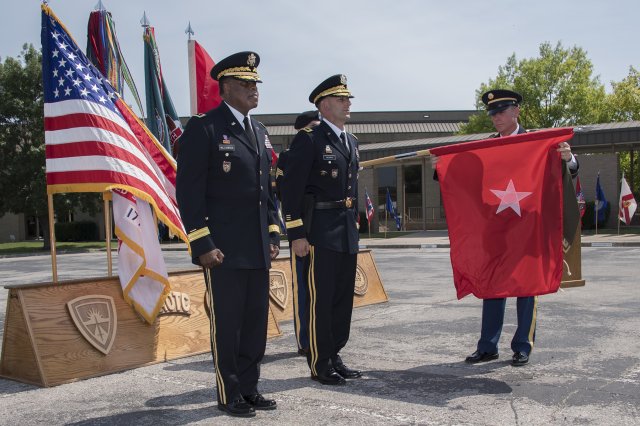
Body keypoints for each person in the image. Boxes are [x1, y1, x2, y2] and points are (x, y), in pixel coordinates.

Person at [434, 88, 579, 367]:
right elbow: (466, 178)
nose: (496, 118)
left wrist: (568, 158)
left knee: (527, 286)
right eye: (492, 113)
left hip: (528, 229)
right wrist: (440, 166)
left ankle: (523, 346)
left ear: (516, 111)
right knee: (492, 286)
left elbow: (570, 169)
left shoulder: (538, 143)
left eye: (501, 112)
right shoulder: (486, 148)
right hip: (496, 231)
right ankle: (488, 346)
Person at [176, 51, 280, 417]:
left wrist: (272, 235)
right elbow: (188, 192)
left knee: (254, 324)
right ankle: (229, 392)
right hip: (223, 249)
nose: (255, 91)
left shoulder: (261, 131)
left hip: (255, 247)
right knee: (230, 324)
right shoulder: (204, 128)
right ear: (227, 87)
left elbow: (266, 191)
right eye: (247, 84)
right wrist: (202, 241)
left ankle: (250, 388)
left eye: (256, 84)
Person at [281, 75, 362, 385]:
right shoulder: (309, 139)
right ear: (325, 105)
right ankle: (319, 360)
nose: (348, 103)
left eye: (348, 99)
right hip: (320, 232)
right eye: (342, 100)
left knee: (343, 299)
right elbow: (291, 189)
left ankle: (334, 352)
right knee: (322, 299)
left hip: (345, 232)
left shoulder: (351, 141)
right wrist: (297, 234)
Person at [275, 110, 321, 357]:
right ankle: (305, 340)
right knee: (303, 288)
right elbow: (284, 192)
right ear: (301, 130)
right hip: (303, 228)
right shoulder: (288, 157)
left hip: (324, 229)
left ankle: (322, 337)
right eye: (313, 127)